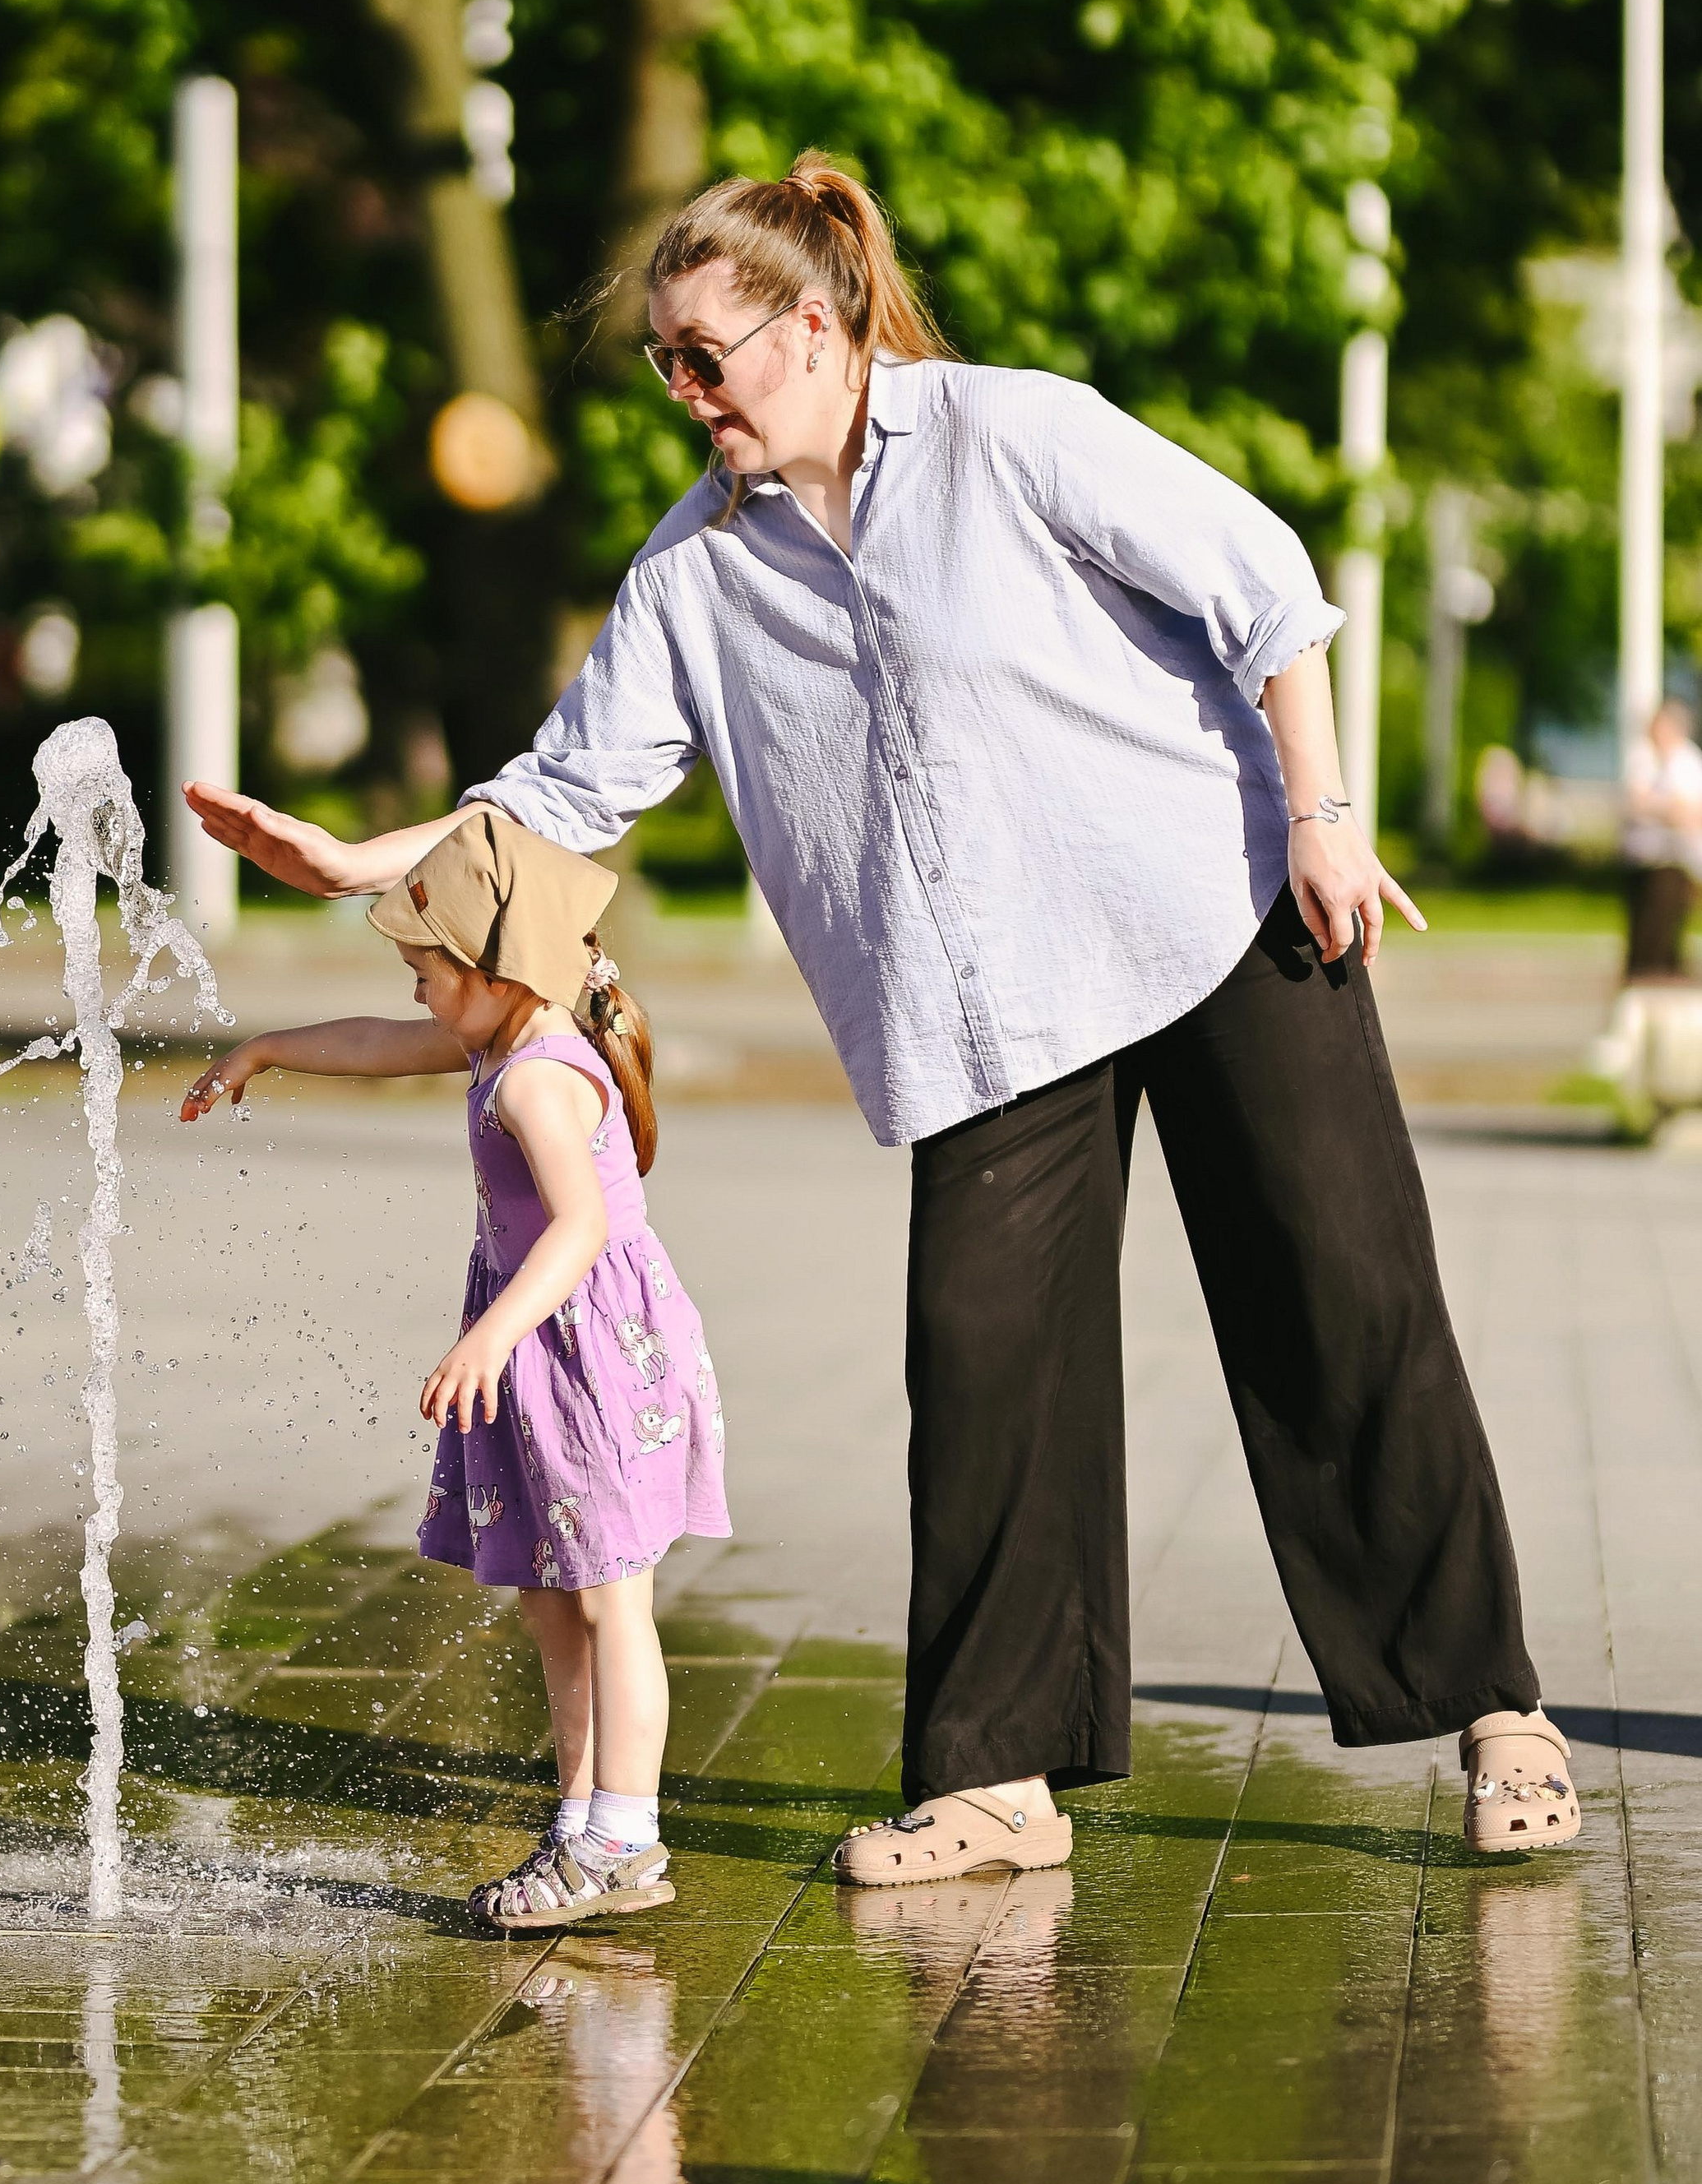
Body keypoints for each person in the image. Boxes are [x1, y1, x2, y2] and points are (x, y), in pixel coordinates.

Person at [183, 154, 1580, 1877]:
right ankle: (997, 1783)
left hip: (1215, 915)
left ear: (818, 323)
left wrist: (1322, 816)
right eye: (663, 366)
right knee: (980, 1361)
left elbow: (1263, 582)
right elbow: (555, 796)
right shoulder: (695, 576)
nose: (686, 395)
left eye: (708, 356)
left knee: (1339, 1314)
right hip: (984, 1007)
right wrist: (340, 862)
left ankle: (1493, 1709)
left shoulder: (1006, 436)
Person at [181, 809, 728, 1928]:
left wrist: (489, 1335)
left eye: (427, 971)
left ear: (491, 970)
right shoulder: (501, 1036)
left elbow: (577, 1226)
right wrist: (266, 1048)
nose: (416, 993)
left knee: (615, 1594)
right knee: (551, 1591)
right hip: (543, 1346)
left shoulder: (537, 1077)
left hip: (586, 1350)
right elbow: (381, 1046)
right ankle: (581, 1818)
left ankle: (626, 1835)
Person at [1621, 696, 1702, 982]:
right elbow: (1637, 801)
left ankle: (1660, 979)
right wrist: (1669, 808)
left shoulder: (1688, 762)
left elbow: (1691, 812)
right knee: (1642, 928)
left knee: (1664, 926)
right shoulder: (1643, 759)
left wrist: (1664, 808)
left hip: (1674, 857)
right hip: (1642, 855)